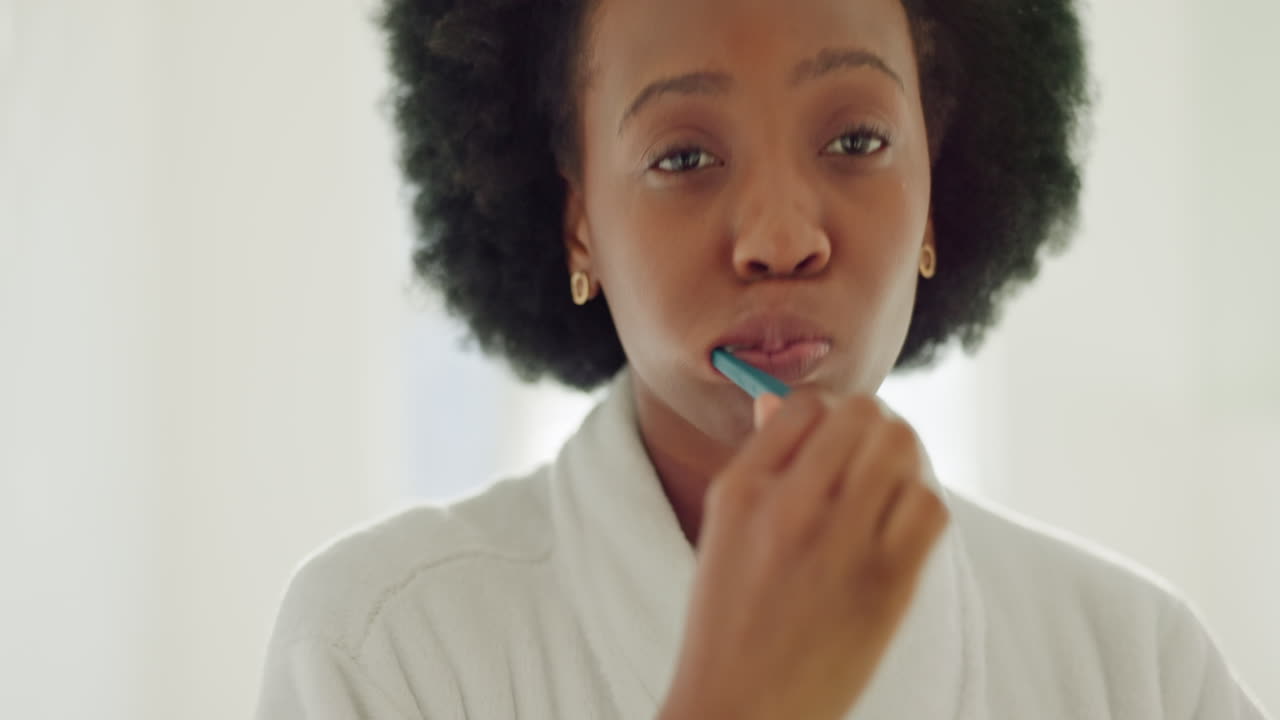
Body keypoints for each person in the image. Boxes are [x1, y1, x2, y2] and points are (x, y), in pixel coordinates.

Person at [255, 0, 1271, 717]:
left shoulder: (1135, 667)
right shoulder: (383, 649)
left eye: (857, 140)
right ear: (577, 226)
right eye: (683, 157)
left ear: (936, 180)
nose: (780, 235)